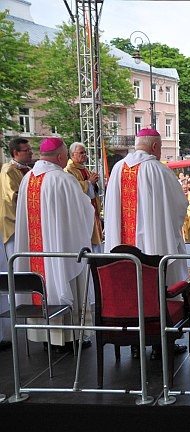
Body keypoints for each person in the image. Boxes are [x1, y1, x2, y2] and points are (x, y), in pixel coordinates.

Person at [103, 128, 189, 360]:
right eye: (160, 148)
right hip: (154, 242)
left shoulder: (118, 168)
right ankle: (161, 343)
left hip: (120, 245)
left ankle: (132, 341)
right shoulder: (158, 170)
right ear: (154, 147)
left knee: (129, 287)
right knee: (158, 282)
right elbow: (179, 206)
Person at [14, 137, 95, 351]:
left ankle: (44, 337)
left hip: (35, 253)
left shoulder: (28, 178)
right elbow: (82, 214)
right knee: (62, 280)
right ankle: (68, 338)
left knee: (41, 285)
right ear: (60, 157)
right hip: (61, 250)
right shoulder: (63, 179)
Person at [0, 137, 33, 349]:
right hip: (13, 228)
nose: (30, 153)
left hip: (28, 226)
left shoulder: (26, 170)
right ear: (15, 153)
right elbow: (13, 197)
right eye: (26, 150)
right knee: (16, 268)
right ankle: (19, 304)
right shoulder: (7, 172)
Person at [65, 142, 103, 252]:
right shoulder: (69, 170)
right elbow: (73, 189)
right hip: (81, 211)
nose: (84, 155)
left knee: (96, 240)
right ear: (73, 155)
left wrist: (94, 183)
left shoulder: (84, 169)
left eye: (85, 152)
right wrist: (89, 183)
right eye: (81, 153)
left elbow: (93, 190)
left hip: (92, 209)